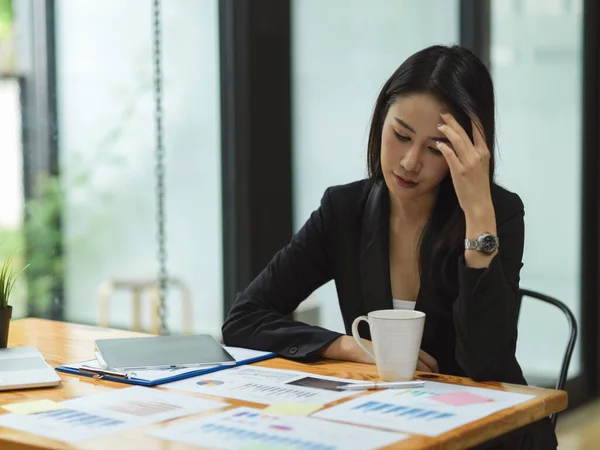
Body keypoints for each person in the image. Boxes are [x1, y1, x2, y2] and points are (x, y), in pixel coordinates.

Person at [222, 44, 557, 449]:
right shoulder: (344, 210)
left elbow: (484, 363)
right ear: (381, 119)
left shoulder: (498, 213)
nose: (410, 161)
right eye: (401, 135)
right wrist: (352, 346)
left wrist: (477, 213)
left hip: (489, 436)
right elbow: (243, 319)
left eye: (436, 148)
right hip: (386, 427)